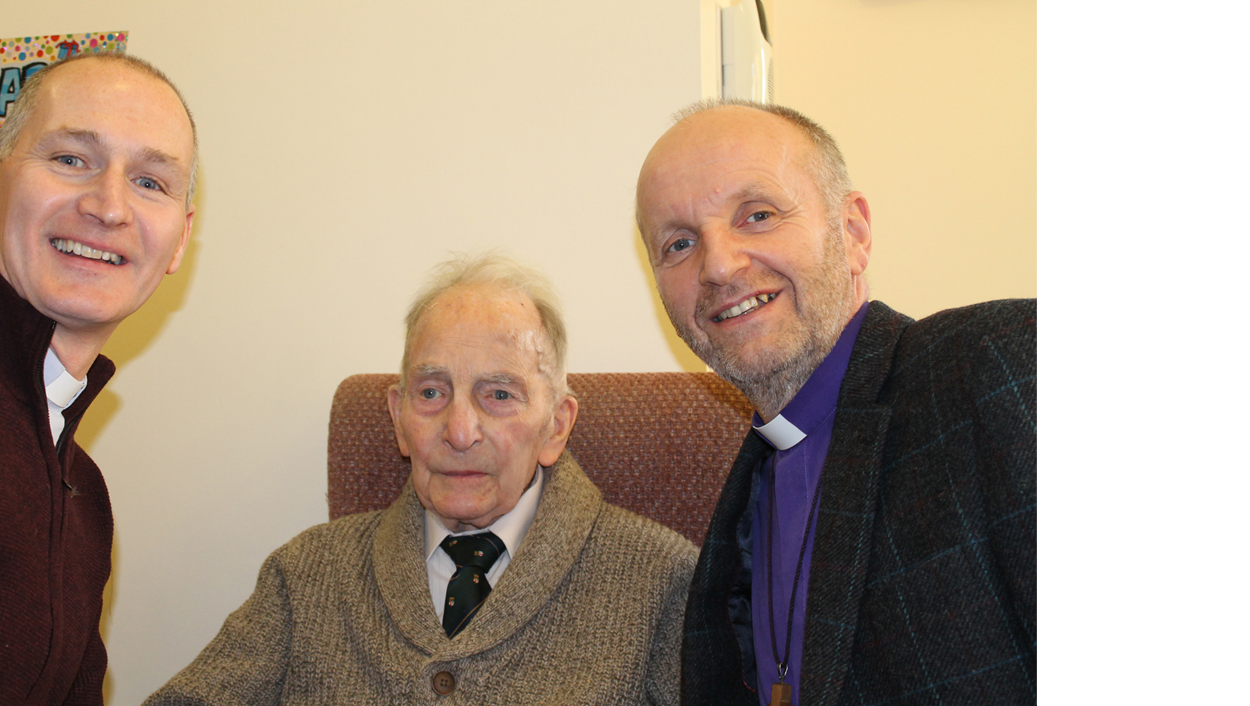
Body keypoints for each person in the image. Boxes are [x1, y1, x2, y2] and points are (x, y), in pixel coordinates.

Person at [144, 254, 696, 706]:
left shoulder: (664, 581)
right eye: (432, 393)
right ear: (398, 418)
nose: (459, 431)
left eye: (499, 395)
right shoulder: (305, 575)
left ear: (557, 425)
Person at [635, 101, 1035, 705]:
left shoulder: (996, 364)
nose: (717, 265)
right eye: (680, 243)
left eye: (758, 215)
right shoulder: (744, 496)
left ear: (853, 232)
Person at [0, 52, 198, 706]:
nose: (109, 206)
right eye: (71, 159)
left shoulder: (85, 496)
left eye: (151, 182)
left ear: (179, 242)